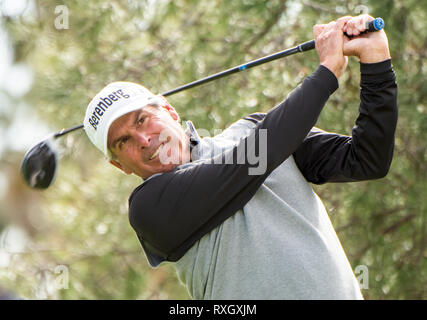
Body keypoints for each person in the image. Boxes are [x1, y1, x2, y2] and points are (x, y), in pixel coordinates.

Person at [83, 14, 397, 299]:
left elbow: (367, 159)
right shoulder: (149, 209)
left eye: (141, 119)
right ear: (119, 165)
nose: (142, 139)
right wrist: (327, 71)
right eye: (123, 141)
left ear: (169, 110)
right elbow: (249, 162)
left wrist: (376, 62)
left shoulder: (256, 128)